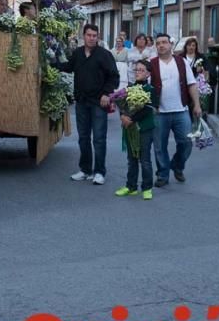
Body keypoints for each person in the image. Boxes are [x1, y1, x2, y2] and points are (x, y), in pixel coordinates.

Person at [55, 24, 119, 185]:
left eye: (94, 35)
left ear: (97, 37)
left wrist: (106, 93)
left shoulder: (104, 55)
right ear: (83, 36)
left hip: (98, 102)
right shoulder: (77, 53)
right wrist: (50, 64)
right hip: (82, 102)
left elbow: (114, 77)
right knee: (83, 138)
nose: (91, 38)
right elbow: (68, 67)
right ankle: (85, 170)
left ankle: (99, 172)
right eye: (89, 35)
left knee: (98, 138)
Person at [149, 33, 202, 187]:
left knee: (186, 142)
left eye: (164, 42)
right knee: (159, 146)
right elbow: (144, 87)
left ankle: (177, 165)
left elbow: (191, 84)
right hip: (159, 113)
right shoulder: (151, 64)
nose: (161, 45)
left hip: (181, 110)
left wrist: (197, 105)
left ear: (170, 45)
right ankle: (163, 174)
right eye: (158, 43)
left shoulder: (181, 61)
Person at [115, 59, 159, 200]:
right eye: (136, 70)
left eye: (141, 70)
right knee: (131, 158)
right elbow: (122, 105)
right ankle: (131, 186)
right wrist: (122, 116)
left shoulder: (151, 90)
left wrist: (131, 119)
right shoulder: (129, 88)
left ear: (148, 74)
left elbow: (149, 109)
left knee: (144, 158)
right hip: (130, 128)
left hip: (144, 128)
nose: (138, 72)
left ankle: (147, 187)